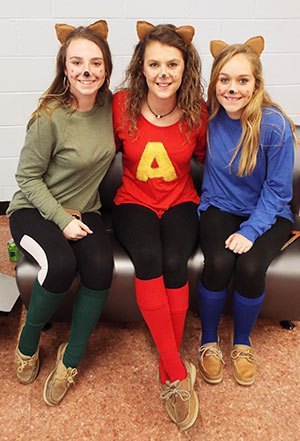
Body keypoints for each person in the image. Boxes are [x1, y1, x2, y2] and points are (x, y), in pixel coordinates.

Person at [7, 20, 115, 405]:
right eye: (77, 62)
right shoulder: (49, 115)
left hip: (86, 209)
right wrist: (61, 220)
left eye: (95, 63)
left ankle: (70, 361)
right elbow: (26, 178)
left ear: (106, 68)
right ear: (64, 68)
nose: (87, 70)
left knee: (102, 269)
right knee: (60, 263)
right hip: (36, 209)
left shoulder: (109, 105)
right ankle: (28, 341)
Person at [112, 21, 208, 430]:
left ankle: (168, 361)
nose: (163, 72)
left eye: (172, 63)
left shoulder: (198, 113)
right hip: (133, 202)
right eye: (155, 64)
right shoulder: (120, 105)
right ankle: (173, 370)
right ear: (141, 67)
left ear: (185, 68)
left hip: (181, 202)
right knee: (149, 258)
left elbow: (216, 157)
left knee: (174, 261)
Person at [197, 36, 297, 387]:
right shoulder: (206, 115)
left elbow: (278, 190)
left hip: (267, 212)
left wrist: (251, 231)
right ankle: (208, 341)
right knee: (220, 262)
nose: (233, 88)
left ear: (256, 83)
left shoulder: (274, 125)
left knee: (252, 266)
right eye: (224, 79)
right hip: (219, 205)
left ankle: (241, 343)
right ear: (214, 83)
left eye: (242, 80)